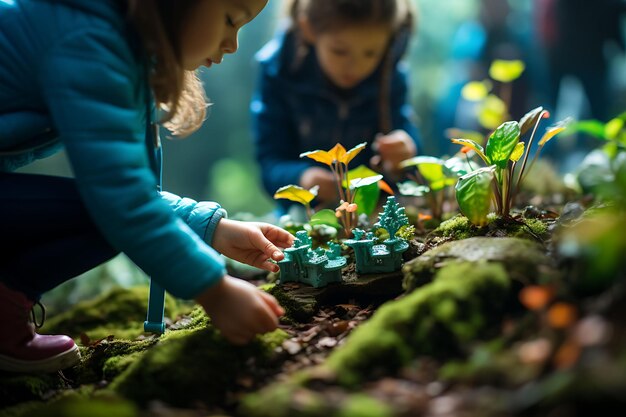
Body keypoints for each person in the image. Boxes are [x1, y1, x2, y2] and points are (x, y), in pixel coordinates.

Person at [0, 0, 295, 374]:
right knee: (103, 218)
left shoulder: (103, 34)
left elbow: (125, 189)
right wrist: (214, 291)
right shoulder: (88, 42)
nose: (233, 44)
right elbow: (119, 199)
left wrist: (210, 227)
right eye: (229, 20)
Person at [250, 0, 421, 213]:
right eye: (340, 51)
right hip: (307, 218)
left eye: (371, 53)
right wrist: (303, 178)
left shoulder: (390, 74)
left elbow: (412, 163)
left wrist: (404, 154)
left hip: (376, 213)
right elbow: (270, 164)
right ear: (309, 29)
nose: (355, 66)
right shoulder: (280, 71)